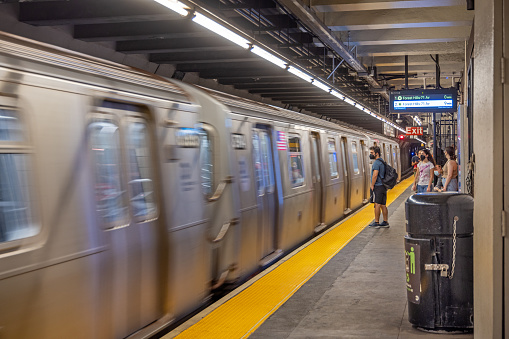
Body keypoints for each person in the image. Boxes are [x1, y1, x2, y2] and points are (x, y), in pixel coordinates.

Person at [368, 146, 389, 228]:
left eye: (372, 153)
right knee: (383, 205)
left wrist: (372, 185)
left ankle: (376, 222)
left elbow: (375, 175)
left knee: (377, 204)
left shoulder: (376, 163)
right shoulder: (382, 161)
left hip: (378, 186)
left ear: (376, 153)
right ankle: (385, 221)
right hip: (383, 186)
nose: (371, 155)